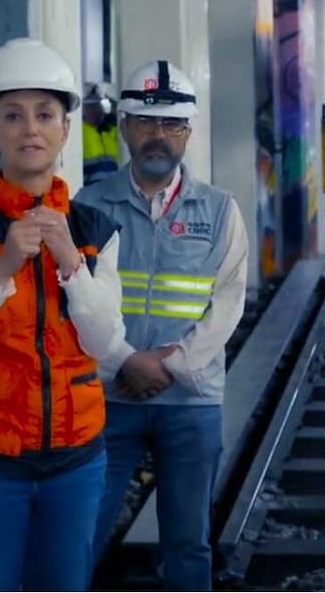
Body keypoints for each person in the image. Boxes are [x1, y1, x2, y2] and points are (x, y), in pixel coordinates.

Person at [0, 37, 127, 591]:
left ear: (64, 130)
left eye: (44, 114)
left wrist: (70, 266)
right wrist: (2, 268)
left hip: (76, 463)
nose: (29, 129)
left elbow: (105, 341)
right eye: (12, 115)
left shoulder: (95, 232)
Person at [81, 59, 248, 591]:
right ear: (126, 125)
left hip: (191, 400)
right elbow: (75, 299)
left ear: (189, 133)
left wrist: (169, 365)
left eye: (173, 125)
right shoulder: (88, 205)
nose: (159, 136)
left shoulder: (219, 210)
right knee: (81, 530)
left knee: (187, 542)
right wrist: (124, 361)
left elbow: (228, 302)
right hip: (109, 395)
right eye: (147, 123)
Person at [82, 81, 121, 185]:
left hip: (115, 189)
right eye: (89, 107)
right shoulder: (79, 133)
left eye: (96, 106)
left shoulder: (111, 129)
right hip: (90, 191)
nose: (94, 111)